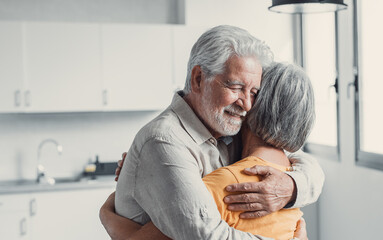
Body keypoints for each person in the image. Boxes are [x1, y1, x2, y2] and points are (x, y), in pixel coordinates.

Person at [99, 25, 324, 239]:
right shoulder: (164, 141)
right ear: (198, 79)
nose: (246, 104)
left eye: (254, 92)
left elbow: (299, 161)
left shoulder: (230, 129)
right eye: (235, 87)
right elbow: (208, 235)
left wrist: (292, 187)